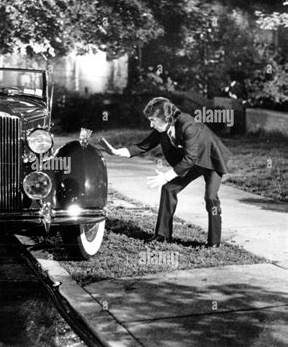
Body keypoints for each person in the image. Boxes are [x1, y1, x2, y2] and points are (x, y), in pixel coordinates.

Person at [99, 97, 231, 247]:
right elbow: (143, 146)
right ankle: (162, 235)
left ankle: (214, 243)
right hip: (192, 161)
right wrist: (118, 152)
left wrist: (166, 176)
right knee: (168, 189)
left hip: (211, 159)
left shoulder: (188, 124)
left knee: (210, 197)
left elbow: (189, 158)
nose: (151, 124)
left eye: (153, 120)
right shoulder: (161, 129)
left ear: (165, 117)